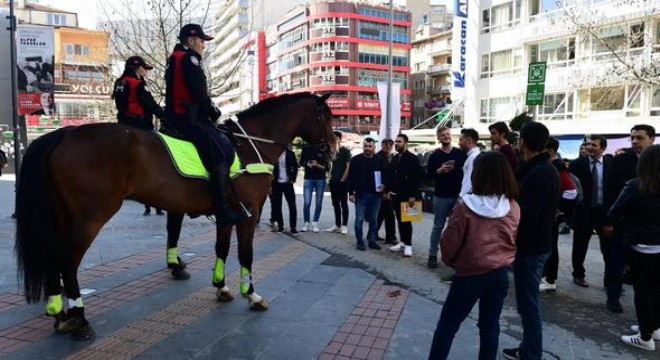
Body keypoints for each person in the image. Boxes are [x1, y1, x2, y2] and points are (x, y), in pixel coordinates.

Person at [428, 151, 520, 360]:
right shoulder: (512, 206)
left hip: (470, 274)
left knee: (448, 325)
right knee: (490, 325)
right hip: (500, 274)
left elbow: (450, 242)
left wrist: (451, 262)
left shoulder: (466, 206)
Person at [163, 24, 242, 226]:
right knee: (222, 151)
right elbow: (199, 94)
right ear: (191, 41)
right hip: (189, 118)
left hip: (174, 117)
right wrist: (214, 113)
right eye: (201, 41)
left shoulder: (174, 57)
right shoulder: (190, 59)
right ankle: (221, 209)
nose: (203, 46)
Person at [502, 122, 559, 360]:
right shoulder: (540, 168)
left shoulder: (540, 173)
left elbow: (527, 215)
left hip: (531, 248)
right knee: (527, 302)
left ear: (521, 142)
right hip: (534, 245)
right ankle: (528, 349)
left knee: (528, 304)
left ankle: (531, 353)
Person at [609, 144, 660, 351]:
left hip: (641, 246)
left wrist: (628, 228)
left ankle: (645, 336)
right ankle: (653, 326)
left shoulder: (635, 186)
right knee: (656, 290)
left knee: (643, 292)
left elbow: (614, 212)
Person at [604, 125, 656, 313]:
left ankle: (647, 312)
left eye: (639, 138)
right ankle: (613, 297)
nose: (634, 141)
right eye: (632, 138)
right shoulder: (622, 161)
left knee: (645, 272)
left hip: (648, 227)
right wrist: (608, 221)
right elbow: (610, 189)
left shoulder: (656, 162)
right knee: (616, 262)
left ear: (651, 139)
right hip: (623, 222)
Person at [113, 55, 166, 216]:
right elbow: (151, 105)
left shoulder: (119, 83)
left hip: (123, 125)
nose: (146, 72)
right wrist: (166, 117)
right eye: (144, 69)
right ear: (137, 68)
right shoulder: (138, 84)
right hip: (140, 126)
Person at [569, 136, 616, 309]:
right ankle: (578, 274)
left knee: (608, 248)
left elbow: (614, 189)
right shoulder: (577, 164)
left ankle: (609, 279)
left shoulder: (612, 164)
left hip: (604, 212)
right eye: (587, 144)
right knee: (580, 245)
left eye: (593, 145)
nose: (589, 147)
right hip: (584, 212)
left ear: (602, 148)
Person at [540, 137, 578, 292]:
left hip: (552, 215)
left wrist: (556, 207)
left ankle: (550, 279)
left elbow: (571, 192)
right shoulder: (552, 166)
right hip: (550, 214)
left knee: (551, 245)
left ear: (550, 150)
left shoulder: (558, 167)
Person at [426, 126, 467, 269]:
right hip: (441, 196)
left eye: (447, 134)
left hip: (458, 196)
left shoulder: (460, 153)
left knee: (456, 228)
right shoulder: (434, 155)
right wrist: (439, 171)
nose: (445, 136)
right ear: (438, 138)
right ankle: (432, 255)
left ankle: (453, 257)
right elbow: (428, 175)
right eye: (442, 135)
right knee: (438, 226)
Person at [386, 134, 423, 257]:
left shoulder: (412, 158)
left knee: (407, 221)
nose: (396, 144)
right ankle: (402, 242)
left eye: (399, 142)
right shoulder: (395, 158)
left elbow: (416, 178)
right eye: (395, 142)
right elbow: (392, 177)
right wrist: (390, 191)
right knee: (400, 220)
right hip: (396, 195)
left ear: (405, 143)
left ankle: (409, 245)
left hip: (408, 196)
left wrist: (413, 195)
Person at [348, 138, 385, 251]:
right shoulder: (355, 160)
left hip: (376, 195)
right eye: (366, 146)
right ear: (363, 146)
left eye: (370, 146)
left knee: (374, 219)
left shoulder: (379, 160)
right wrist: (351, 193)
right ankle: (360, 241)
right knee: (359, 219)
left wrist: (384, 188)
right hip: (360, 195)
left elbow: (384, 176)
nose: (367, 148)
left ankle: (371, 240)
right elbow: (351, 178)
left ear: (374, 147)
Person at [300, 142, 328, 232]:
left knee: (318, 202)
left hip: (320, 178)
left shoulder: (324, 146)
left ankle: (315, 222)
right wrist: (307, 164)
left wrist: (317, 165)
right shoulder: (306, 146)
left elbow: (326, 167)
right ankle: (306, 222)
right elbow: (301, 162)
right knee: (307, 202)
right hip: (308, 178)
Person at [326, 131, 351, 234]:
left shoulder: (345, 151)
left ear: (340, 139)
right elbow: (328, 166)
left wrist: (342, 179)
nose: (334, 140)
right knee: (335, 203)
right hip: (332, 181)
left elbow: (348, 167)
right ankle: (337, 224)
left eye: (336, 138)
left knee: (344, 203)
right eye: (332, 139)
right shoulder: (330, 152)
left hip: (342, 182)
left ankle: (344, 225)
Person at [271, 146, 299, 235]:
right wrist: (270, 185)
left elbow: (295, 167)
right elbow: (270, 169)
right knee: (277, 205)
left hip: (288, 183)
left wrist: (293, 179)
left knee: (292, 205)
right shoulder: (273, 154)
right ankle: (281, 226)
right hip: (276, 184)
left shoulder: (291, 154)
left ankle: (293, 227)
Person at [376, 138, 397, 244]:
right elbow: (377, 176)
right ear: (382, 145)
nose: (388, 146)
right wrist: (382, 192)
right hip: (382, 191)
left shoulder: (392, 157)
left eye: (390, 144)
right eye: (386, 144)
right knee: (388, 214)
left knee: (381, 214)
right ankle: (391, 237)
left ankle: (373, 234)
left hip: (389, 191)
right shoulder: (378, 157)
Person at [458, 128, 481, 198]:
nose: (459, 143)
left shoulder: (473, 157)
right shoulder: (474, 156)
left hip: (468, 197)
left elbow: (469, 181)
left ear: (469, 141)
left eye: (461, 140)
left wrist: (461, 197)